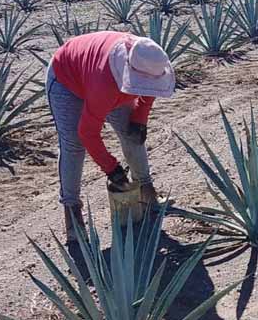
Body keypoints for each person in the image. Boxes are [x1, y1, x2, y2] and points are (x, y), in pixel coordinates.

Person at [46, 31, 175, 240]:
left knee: (132, 133)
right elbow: (88, 133)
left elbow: (150, 88)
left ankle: (147, 193)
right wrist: (111, 168)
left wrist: (140, 118)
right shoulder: (105, 83)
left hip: (107, 81)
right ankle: (72, 213)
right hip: (66, 79)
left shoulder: (149, 60)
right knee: (74, 145)